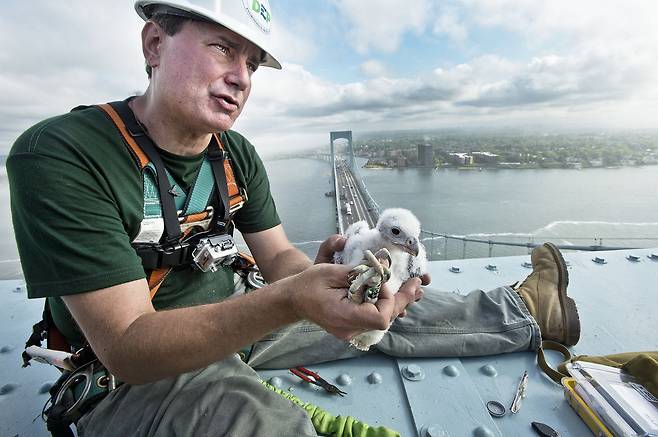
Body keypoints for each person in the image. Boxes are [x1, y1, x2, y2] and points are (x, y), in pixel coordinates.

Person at [7, 1, 580, 436]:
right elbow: (130, 345)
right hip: (135, 371)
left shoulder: (233, 154)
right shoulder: (62, 154)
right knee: (259, 422)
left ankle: (530, 312)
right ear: (154, 42)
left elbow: (278, 257)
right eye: (222, 49)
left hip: (236, 317)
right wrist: (291, 299)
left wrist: (326, 281)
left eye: (251, 62)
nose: (242, 77)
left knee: (381, 305)